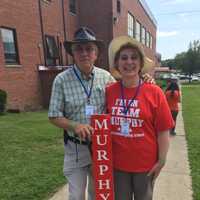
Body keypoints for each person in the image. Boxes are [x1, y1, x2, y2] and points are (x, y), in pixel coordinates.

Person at [48, 27, 115, 200]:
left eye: (89, 48)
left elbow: (124, 97)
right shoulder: (61, 80)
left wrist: (144, 82)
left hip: (101, 148)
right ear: (72, 52)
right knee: (76, 195)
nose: (84, 53)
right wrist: (74, 125)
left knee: (97, 193)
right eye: (79, 49)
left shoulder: (106, 77)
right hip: (75, 147)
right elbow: (54, 115)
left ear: (96, 53)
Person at [105, 36, 174, 200]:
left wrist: (162, 161)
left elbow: (163, 131)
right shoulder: (108, 92)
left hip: (146, 165)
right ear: (117, 64)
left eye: (134, 57)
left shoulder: (154, 92)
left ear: (141, 64)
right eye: (124, 58)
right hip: (118, 164)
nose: (129, 62)